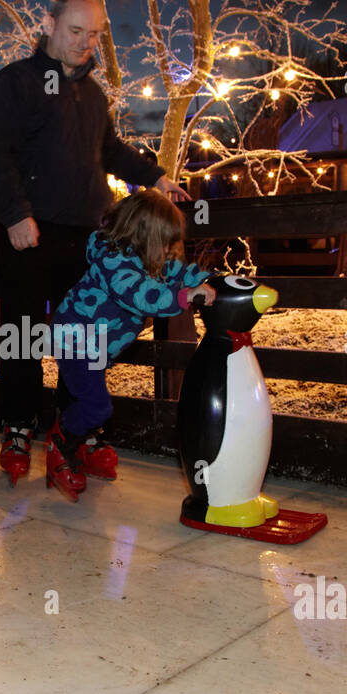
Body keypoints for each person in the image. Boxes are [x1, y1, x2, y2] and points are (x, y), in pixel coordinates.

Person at [0, 0, 189, 486]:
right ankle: (17, 427)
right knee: (22, 337)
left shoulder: (92, 94)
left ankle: (75, 431)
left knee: (85, 338)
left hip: (88, 238)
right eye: (76, 31)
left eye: (94, 34)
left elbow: (109, 150)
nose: (85, 43)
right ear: (48, 23)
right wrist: (14, 215)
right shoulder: (15, 83)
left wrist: (155, 177)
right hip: (27, 232)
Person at [46, 190, 214, 500]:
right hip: (75, 339)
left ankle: (81, 440)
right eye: (164, 242)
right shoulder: (115, 262)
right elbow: (142, 295)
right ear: (143, 236)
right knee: (97, 406)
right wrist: (183, 297)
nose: (167, 249)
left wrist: (214, 281)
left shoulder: (150, 258)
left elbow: (182, 272)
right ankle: (60, 443)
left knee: (87, 401)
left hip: (96, 346)